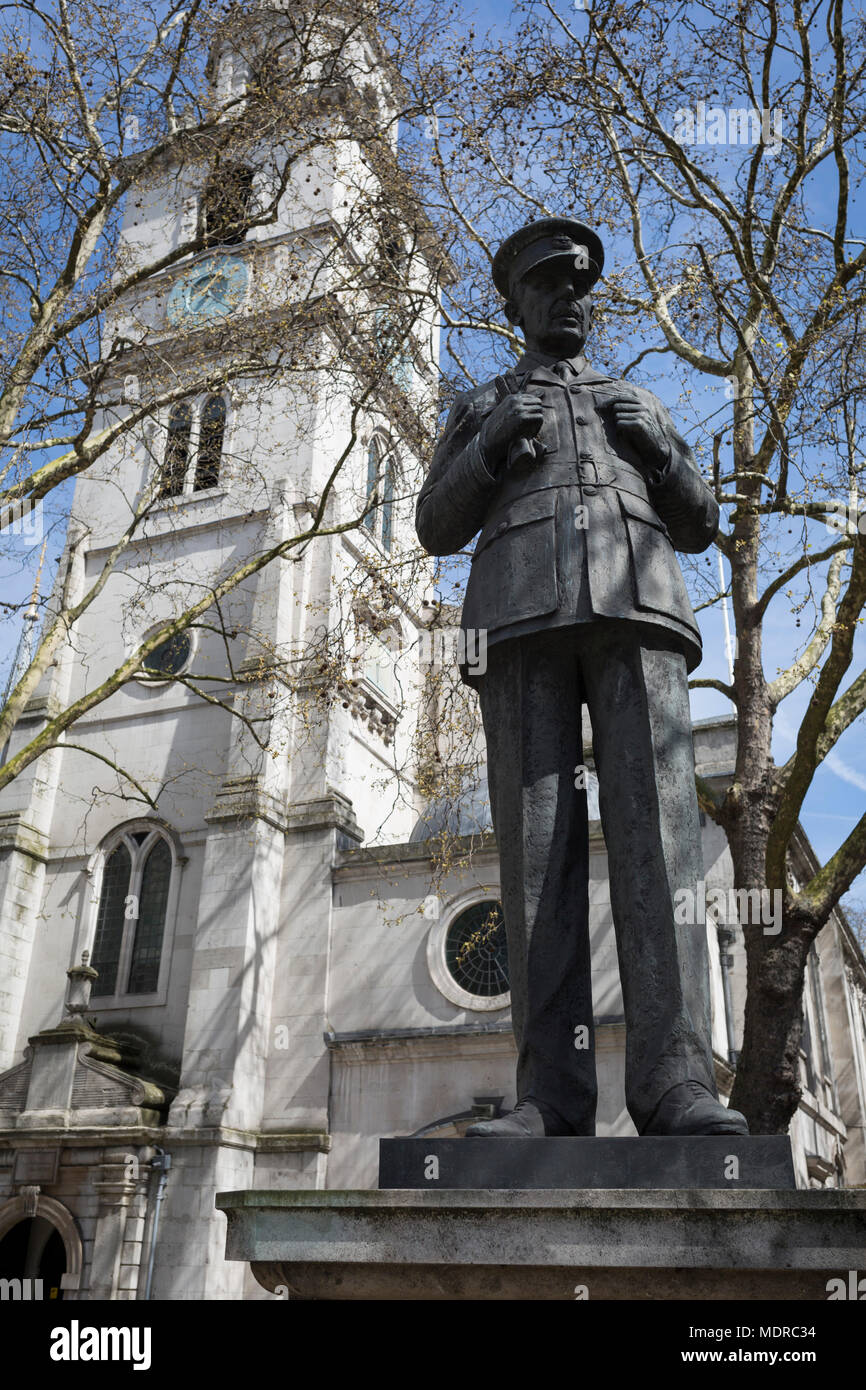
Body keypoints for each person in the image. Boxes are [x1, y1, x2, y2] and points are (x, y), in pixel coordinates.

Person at [416, 218, 748, 1138]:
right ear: (516, 304)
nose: (572, 300)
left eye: (580, 287)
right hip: (517, 623)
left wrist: (666, 453)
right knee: (536, 861)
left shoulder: (634, 399)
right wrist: (488, 453)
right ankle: (549, 1101)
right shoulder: (482, 404)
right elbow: (434, 528)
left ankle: (677, 1084)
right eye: (551, 287)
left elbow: (701, 521)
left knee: (662, 845)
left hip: (637, 610)